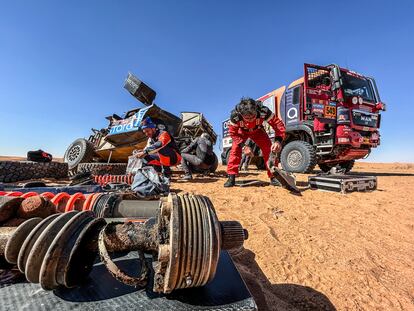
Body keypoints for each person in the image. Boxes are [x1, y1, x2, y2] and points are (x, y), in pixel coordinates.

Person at [224, 97, 286, 187]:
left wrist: (278, 141)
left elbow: (278, 125)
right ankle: (231, 177)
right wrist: (244, 146)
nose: (250, 120)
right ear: (241, 114)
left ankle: (273, 177)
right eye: (247, 118)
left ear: (256, 110)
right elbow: (233, 133)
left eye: (252, 116)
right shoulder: (235, 116)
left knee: (269, 150)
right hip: (241, 132)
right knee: (235, 150)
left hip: (258, 131)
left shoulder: (264, 111)